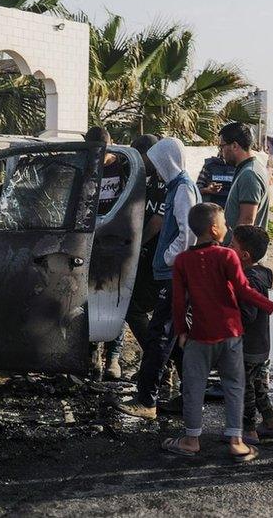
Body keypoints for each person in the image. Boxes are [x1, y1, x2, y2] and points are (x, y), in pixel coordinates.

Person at [161, 203, 273, 461]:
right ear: (214, 230)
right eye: (224, 224)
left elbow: (179, 301)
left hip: (199, 335)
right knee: (234, 385)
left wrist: (182, 330)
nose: (228, 228)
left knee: (193, 387)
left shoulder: (183, 261)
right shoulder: (227, 256)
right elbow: (244, 290)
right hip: (231, 334)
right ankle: (236, 441)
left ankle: (191, 440)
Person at [115, 137, 200, 418]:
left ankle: (147, 400)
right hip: (172, 272)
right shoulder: (177, 187)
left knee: (159, 337)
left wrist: (167, 256)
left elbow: (188, 234)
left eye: (154, 160)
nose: (151, 165)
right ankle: (190, 396)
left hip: (173, 272)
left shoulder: (182, 190)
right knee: (171, 335)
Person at [102, 134, 160, 381]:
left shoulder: (162, 180)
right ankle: (156, 365)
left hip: (147, 253)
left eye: (141, 156)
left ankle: (159, 364)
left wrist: (136, 245)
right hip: (127, 247)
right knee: (117, 301)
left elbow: (158, 221)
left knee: (131, 307)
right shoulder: (134, 172)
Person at [230, 225, 273, 444]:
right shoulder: (262, 272)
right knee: (258, 384)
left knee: (245, 387)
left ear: (244, 255)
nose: (227, 247)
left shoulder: (249, 280)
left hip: (248, 344)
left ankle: (249, 430)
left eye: (231, 245)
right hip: (261, 343)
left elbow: (247, 314)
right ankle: (271, 422)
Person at [84, 126, 122, 379]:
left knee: (114, 299)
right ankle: (92, 353)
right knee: (89, 298)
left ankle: (113, 357)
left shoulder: (123, 169)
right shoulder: (86, 167)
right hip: (89, 241)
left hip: (117, 242)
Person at [217, 122, 269, 245]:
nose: (221, 152)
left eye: (222, 146)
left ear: (234, 146)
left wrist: (231, 251)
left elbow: (247, 220)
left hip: (243, 256)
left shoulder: (249, 174)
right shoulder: (247, 169)